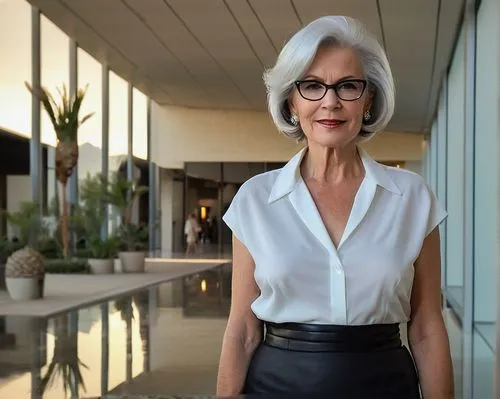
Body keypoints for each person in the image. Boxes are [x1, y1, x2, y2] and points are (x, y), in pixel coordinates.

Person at [216, 15, 453, 398]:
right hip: (275, 385)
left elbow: (426, 326)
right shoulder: (255, 200)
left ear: (369, 98)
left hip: (386, 385)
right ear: (291, 101)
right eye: (312, 86)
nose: (330, 102)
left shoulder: (412, 198)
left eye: (347, 86)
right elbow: (242, 329)